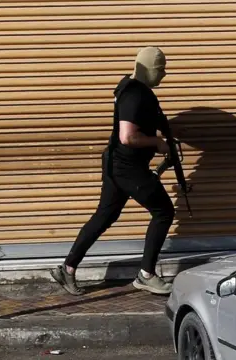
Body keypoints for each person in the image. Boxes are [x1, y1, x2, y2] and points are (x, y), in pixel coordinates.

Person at [50, 46, 176, 296]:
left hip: (116, 164)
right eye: (161, 70)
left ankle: (68, 268)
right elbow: (128, 136)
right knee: (164, 211)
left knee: (105, 216)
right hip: (128, 167)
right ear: (150, 70)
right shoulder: (135, 95)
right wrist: (158, 143)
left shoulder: (129, 86)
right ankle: (146, 275)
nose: (164, 75)